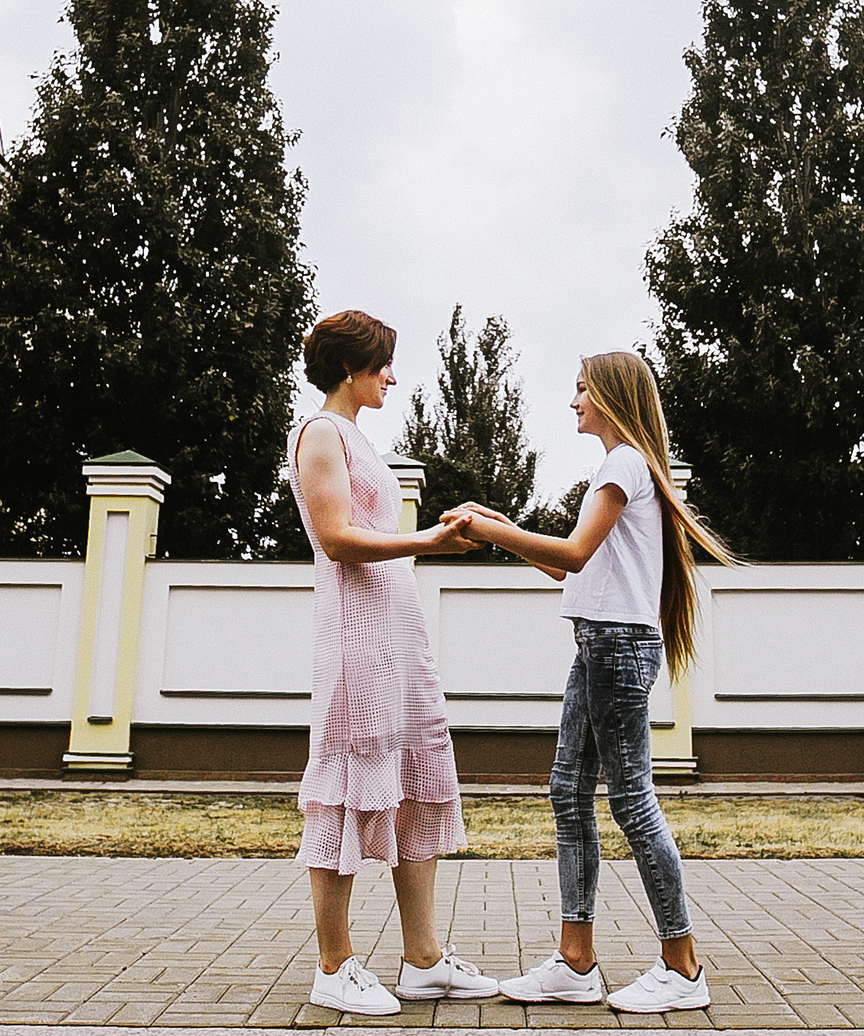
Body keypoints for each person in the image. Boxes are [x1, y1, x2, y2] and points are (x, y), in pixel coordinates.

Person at [449, 349, 737, 1015]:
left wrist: (500, 530)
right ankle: (575, 963)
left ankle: (682, 966)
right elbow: (569, 571)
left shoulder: (623, 463)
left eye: (581, 389)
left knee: (632, 802)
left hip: (613, 647)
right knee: (568, 792)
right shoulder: (624, 467)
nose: (573, 401)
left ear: (609, 396)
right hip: (595, 642)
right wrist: (495, 527)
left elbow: (571, 552)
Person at [289, 309, 500, 1016]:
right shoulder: (320, 433)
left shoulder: (356, 438)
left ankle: (423, 962)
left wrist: (433, 534)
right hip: (356, 643)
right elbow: (338, 539)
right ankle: (333, 966)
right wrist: (427, 545)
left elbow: (371, 531)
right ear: (349, 368)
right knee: (346, 790)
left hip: (397, 641)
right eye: (380, 364)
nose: (391, 376)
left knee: (410, 786)